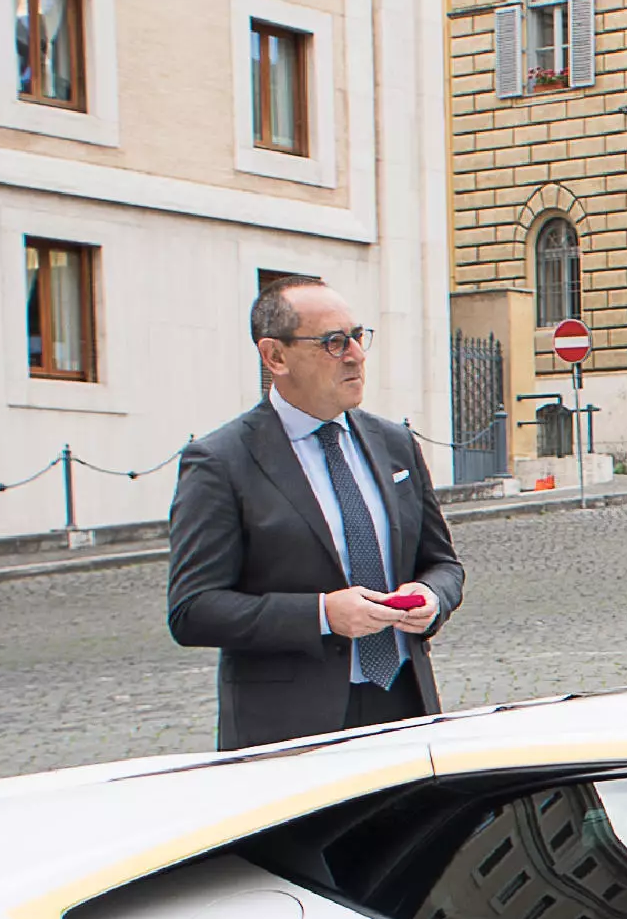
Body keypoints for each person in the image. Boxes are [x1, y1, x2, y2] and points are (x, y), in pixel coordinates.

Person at [166, 276, 465, 750]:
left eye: (357, 337)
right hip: (291, 727)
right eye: (332, 342)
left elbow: (444, 564)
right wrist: (322, 614)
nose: (355, 355)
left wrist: (431, 597)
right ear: (275, 357)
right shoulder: (221, 461)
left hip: (405, 706)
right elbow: (193, 609)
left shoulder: (394, 443)